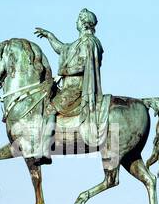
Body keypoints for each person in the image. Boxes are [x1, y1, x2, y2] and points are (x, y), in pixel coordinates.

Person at [34, 9, 109, 147]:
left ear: (82, 22)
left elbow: (84, 65)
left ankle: (44, 148)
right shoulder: (79, 42)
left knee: (50, 108)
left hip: (77, 89)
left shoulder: (89, 42)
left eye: (77, 20)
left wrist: (63, 71)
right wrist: (49, 36)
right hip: (69, 88)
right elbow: (63, 48)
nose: (76, 22)